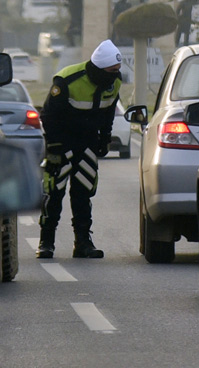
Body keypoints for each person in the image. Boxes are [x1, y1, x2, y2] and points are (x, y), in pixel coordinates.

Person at [36, 39, 123, 259]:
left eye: (117, 70)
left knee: (83, 193)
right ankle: (46, 242)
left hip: (88, 143)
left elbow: (108, 112)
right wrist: (54, 146)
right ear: (100, 68)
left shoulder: (115, 83)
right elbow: (48, 114)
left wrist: (105, 139)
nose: (116, 74)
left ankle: (83, 242)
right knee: (54, 192)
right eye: (112, 70)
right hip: (62, 142)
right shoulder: (67, 79)